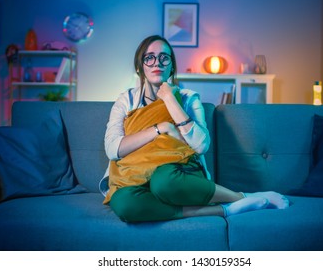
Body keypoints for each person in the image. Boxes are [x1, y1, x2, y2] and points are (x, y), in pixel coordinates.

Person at [101, 35, 289, 222]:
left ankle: (242, 197)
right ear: (139, 66)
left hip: (174, 170)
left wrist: (170, 99)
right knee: (127, 205)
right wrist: (162, 127)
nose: (157, 63)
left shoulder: (188, 98)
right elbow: (112, 149)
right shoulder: (126, 101)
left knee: (164, 184)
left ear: (171, 66)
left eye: (164, 58)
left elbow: (200, 146)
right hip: (131, 175)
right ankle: (230, 206)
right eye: (149, 57)